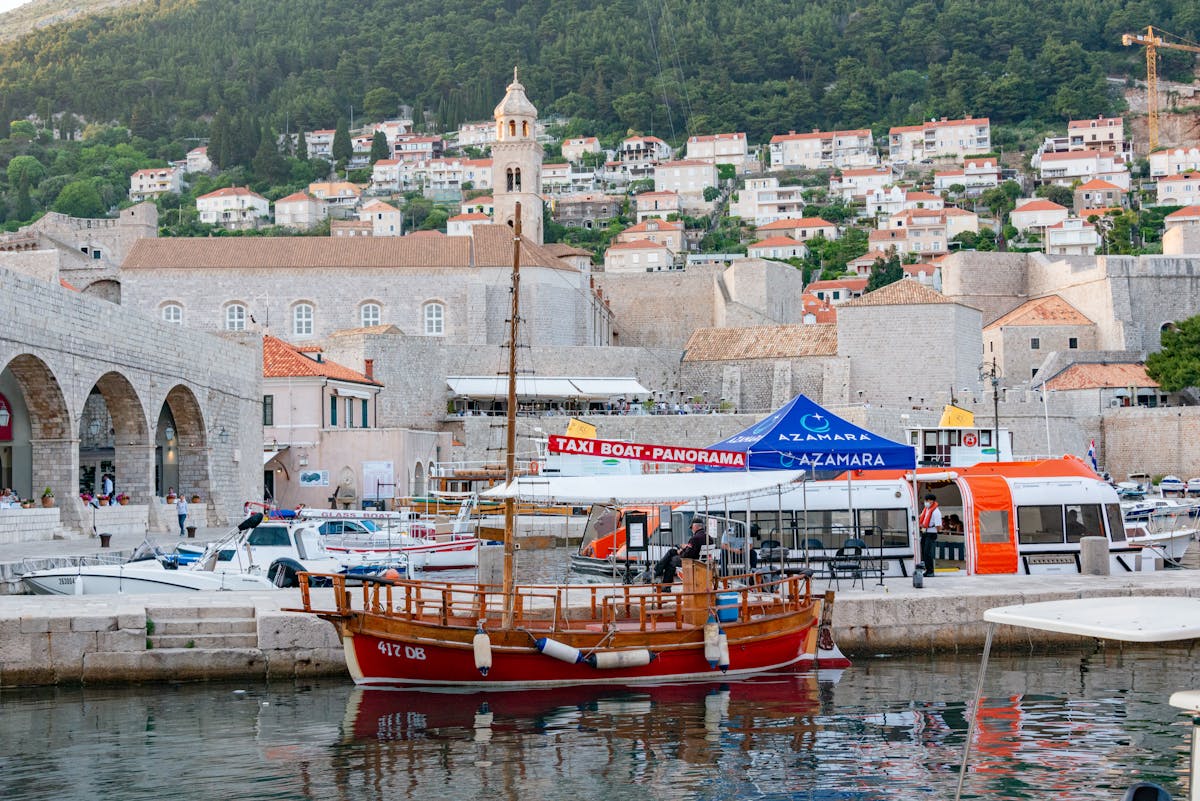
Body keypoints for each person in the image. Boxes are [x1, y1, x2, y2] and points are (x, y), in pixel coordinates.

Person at [918, 493, 941, 578]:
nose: (926, 502)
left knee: (928, 552)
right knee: (924, 552)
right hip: (925, 532)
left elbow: (938, 525)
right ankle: (927, 570)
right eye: (925, 500)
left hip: (931, 533)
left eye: (927, 500)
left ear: (932, 501)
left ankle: (931, 571)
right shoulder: (926, 509)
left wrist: (936, 532)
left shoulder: (936, 511)